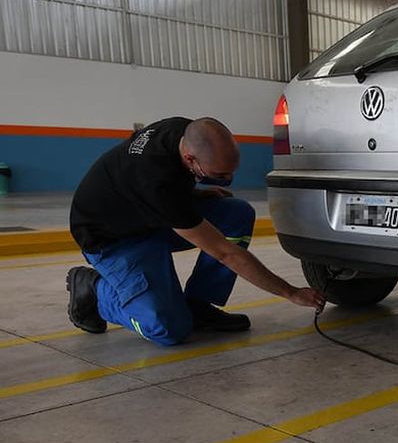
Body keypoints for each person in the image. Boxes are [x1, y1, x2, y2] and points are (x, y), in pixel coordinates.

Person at [66, 116, 324, 345]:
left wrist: (195, 194)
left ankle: (199, 305)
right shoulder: (158, 185)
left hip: (148, 217)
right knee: (167, 329)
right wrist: (290, 292)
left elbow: (164, 184)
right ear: (190, 159)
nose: (227, 180)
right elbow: (226, 254)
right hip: (113, 239)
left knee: (236, 213)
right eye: (219, 174)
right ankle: (93, 289)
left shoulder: (181, 131)